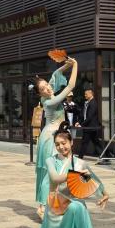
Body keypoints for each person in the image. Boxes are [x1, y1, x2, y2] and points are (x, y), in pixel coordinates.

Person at [38, 122, 109, 228]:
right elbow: (55, 178)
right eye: (57, 144)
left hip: (72, 201)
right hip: (56, 202)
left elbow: (94, 180)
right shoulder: (50, 161)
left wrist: (105, 195)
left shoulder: (80, 163)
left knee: (78, 205)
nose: (60, 147)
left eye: (63, 143)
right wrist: (76, 174)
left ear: (71, 143)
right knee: (76, 206)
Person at [34, 57, 78, 219]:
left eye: (47, 85)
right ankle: (42, 206)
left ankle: (53, 203)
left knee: (57, 170)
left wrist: (67, 65)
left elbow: (55, 74)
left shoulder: (49, 95)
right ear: (40, 94)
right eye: (43, 89)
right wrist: (75, 65)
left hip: (54, 135)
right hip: (51, 138)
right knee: (50, 172)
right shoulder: (49, 102)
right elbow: (71, 86)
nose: (47, 88)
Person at [76, 88, 102, 158]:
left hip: (90, 127)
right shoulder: (87, 103)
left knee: (85, 142)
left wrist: (82, 124)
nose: (85, 95)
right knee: (95, 142)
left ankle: (80, 157)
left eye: (86, 94)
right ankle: (105, 155)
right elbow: (83, 115)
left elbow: (90, 116)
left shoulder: (93, 103)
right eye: (85, 94)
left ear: (91, 94)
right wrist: (79, 122)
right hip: (88, 126)